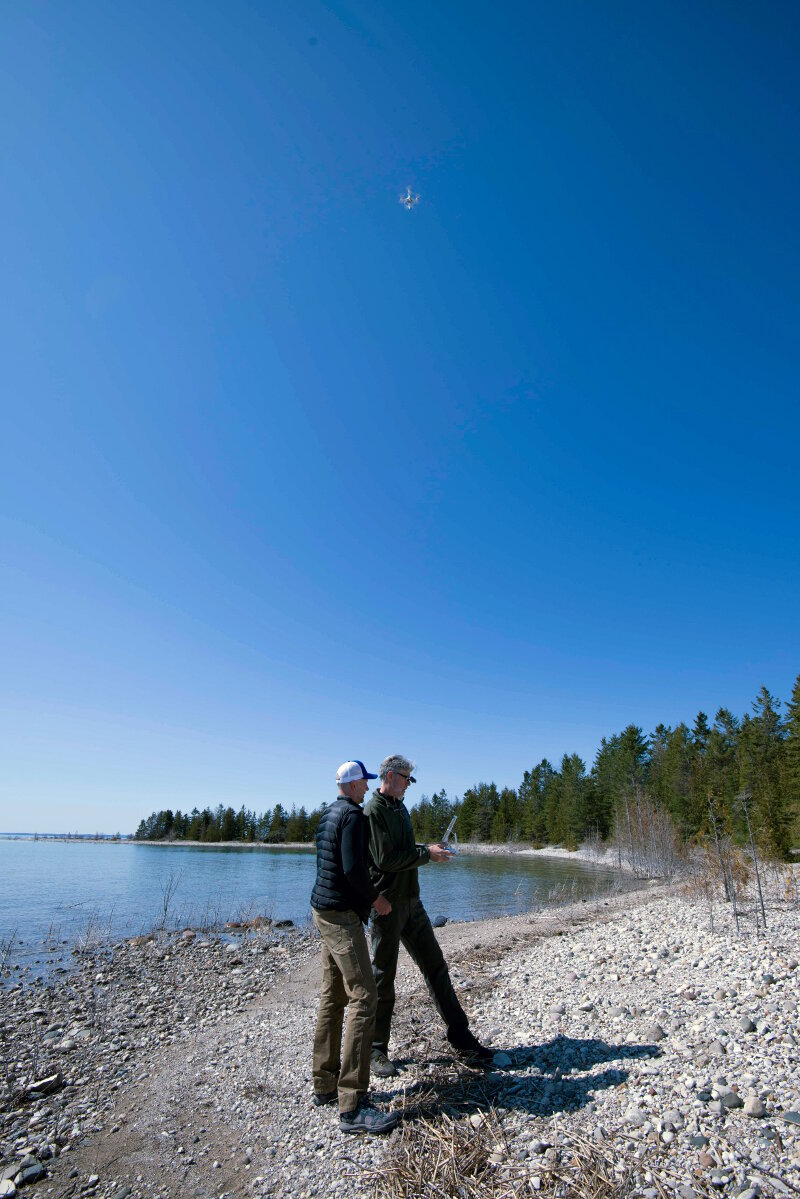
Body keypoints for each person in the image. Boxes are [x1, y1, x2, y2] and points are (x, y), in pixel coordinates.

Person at [364, 754, 492, 1077]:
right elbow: (384, 859)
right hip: (386, 906)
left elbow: (406, 851)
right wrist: (426, 855)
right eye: (407, 778)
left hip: (412, 902)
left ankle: (461, 1037)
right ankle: (376, 1050)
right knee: (383, 978)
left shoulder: (400, 808)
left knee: (436, 966)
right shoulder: (374, 810)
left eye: (410, 779)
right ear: (391, 777)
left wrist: (429, 849)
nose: (409, 784)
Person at [310, 760, 401, 1134]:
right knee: (365, 995)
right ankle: (352, 1104)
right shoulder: (352, 817)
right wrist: (377, 900)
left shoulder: (327, 814)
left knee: (333, 996)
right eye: (362, 782)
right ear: (350, 786)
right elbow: (352, 870)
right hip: (341, 916)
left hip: (322, 910)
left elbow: (332, 867)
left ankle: (324, 1085)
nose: (367, 787)